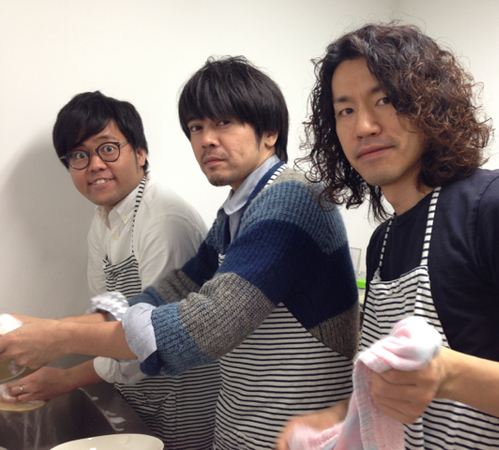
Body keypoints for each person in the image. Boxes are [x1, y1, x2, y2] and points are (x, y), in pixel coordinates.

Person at [0, 57, 360, 450]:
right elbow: (166, 291)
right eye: (196, 127)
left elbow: (205, 325)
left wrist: (59, 338)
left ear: (270, 132)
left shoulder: (291, 199)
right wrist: (42, 328)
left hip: (293, 434)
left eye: (224, 122)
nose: (206, 140)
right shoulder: (234, 213)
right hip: (241, 426)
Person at [276, 22, 499, 450]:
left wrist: (448, 376)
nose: (364, 126)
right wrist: (333, 419)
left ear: (429, 102)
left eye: (385, 99)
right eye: (345, 110)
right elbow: (397, 389)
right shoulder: (383, 242)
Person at [5, 91, 220, 450]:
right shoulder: (103, 220)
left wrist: (64, 370)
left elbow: (153, 337)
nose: (94, 165)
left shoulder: (164, 221)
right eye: (79, 155)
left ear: (140, 153)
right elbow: (114, 314)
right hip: (137, 396)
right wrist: (33, 326)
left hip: (181, 404)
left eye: (107, 148)